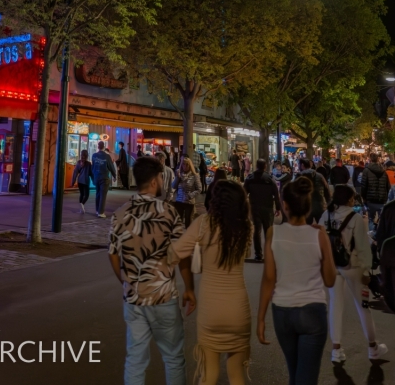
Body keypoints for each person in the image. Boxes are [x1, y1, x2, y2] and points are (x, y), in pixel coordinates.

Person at [109, 155, 190, 385]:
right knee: (173, 357)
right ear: (155, 180)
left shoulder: (120, 214)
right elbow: (182, 253)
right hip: (164, 295)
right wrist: (189, 286)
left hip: (133, 297)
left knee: (135, 358)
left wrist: (125, 281)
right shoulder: (168, 212)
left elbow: (113, 254)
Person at [170, 179, 253, 385]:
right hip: (238, 308)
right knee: (237, 375)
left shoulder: (203, 224)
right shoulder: (246, 228)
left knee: (208, 374)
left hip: (211, 309)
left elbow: (174, 254)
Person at [257, 176, 336, 385]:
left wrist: (260, 318)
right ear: (309, 207)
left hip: (282, 311)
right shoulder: (318, 235)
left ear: (285, 205)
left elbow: (269, 279)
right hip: (313, 310)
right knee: (306, 378)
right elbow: (330, 280)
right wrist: (325, 243)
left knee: (295, 373)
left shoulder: (274, 233)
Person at [318, 183, 388, 364]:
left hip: (333, 267)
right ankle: (373, 348)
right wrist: (366, 270)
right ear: (347, 199)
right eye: (352, 197)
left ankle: (336, 350)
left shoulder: (326, 215)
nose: (353, 200)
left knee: (335, 305)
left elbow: (319, 241)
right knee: (363, 307)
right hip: (353, 266)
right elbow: (364, 248)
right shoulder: (355, 218)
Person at [244, 159, 282, 262]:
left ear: (256, 166)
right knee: (268, 231)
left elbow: (244, 193)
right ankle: (269, 253)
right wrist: (278, 208)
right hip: (268, 207)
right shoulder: (270, 179)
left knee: (256, 231)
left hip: (254, 207)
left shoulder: (250, 178)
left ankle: (258, 254)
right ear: (265, 166)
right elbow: (276, 194)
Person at [295, 156, 330, 224]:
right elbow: (327, 190)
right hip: (320, 205)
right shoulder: (320, 176)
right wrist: (328, 204)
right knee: (321, 227)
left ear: (302, 165)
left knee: (305, 229)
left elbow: (294, 191)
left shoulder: (299, 176)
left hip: (305, 206)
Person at [360, 152, 389, 231]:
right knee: (382, 220)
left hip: (370, 199)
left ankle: (372, 236)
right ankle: (379, 236)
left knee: (371, 218)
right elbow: (388, 186)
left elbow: (363, 186)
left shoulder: (366, 171)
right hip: (382, 200)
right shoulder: (384, 172)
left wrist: (363, 197)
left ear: (370, 159)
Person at [172, 157, 200, 228]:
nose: (185, 166)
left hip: (189, 202)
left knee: (188, 221)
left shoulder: (194, 176)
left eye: (187, 165)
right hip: (179, 200)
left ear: (190, 165)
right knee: (178, 221)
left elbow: (199, 189)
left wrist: (191, 195)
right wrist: (177, 177)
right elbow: (173, 186)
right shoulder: (179, 175)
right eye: (183, 164)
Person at [91, 140, 116, 218]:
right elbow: (111, 167)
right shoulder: (107, 156)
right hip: (104, 177)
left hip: (96, 177)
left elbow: (93, 166)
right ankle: (101, 212)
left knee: (98, 194)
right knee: (103, 195)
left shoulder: (94, 155)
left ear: (98, 147)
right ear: (104, 147)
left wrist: (93, 175)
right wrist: (114, 175)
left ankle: (97, 210)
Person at [72, 149, 93, 213]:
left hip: (80, 181)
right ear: (87, 156)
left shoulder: (78, 162)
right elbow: (91, 173)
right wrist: (94, 180)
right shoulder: (89, 164)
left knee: (81, 194)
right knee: (86, 195)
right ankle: (82, 204)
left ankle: (81, 208)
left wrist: (73, 181)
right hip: (86, 181)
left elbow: (75, 172)